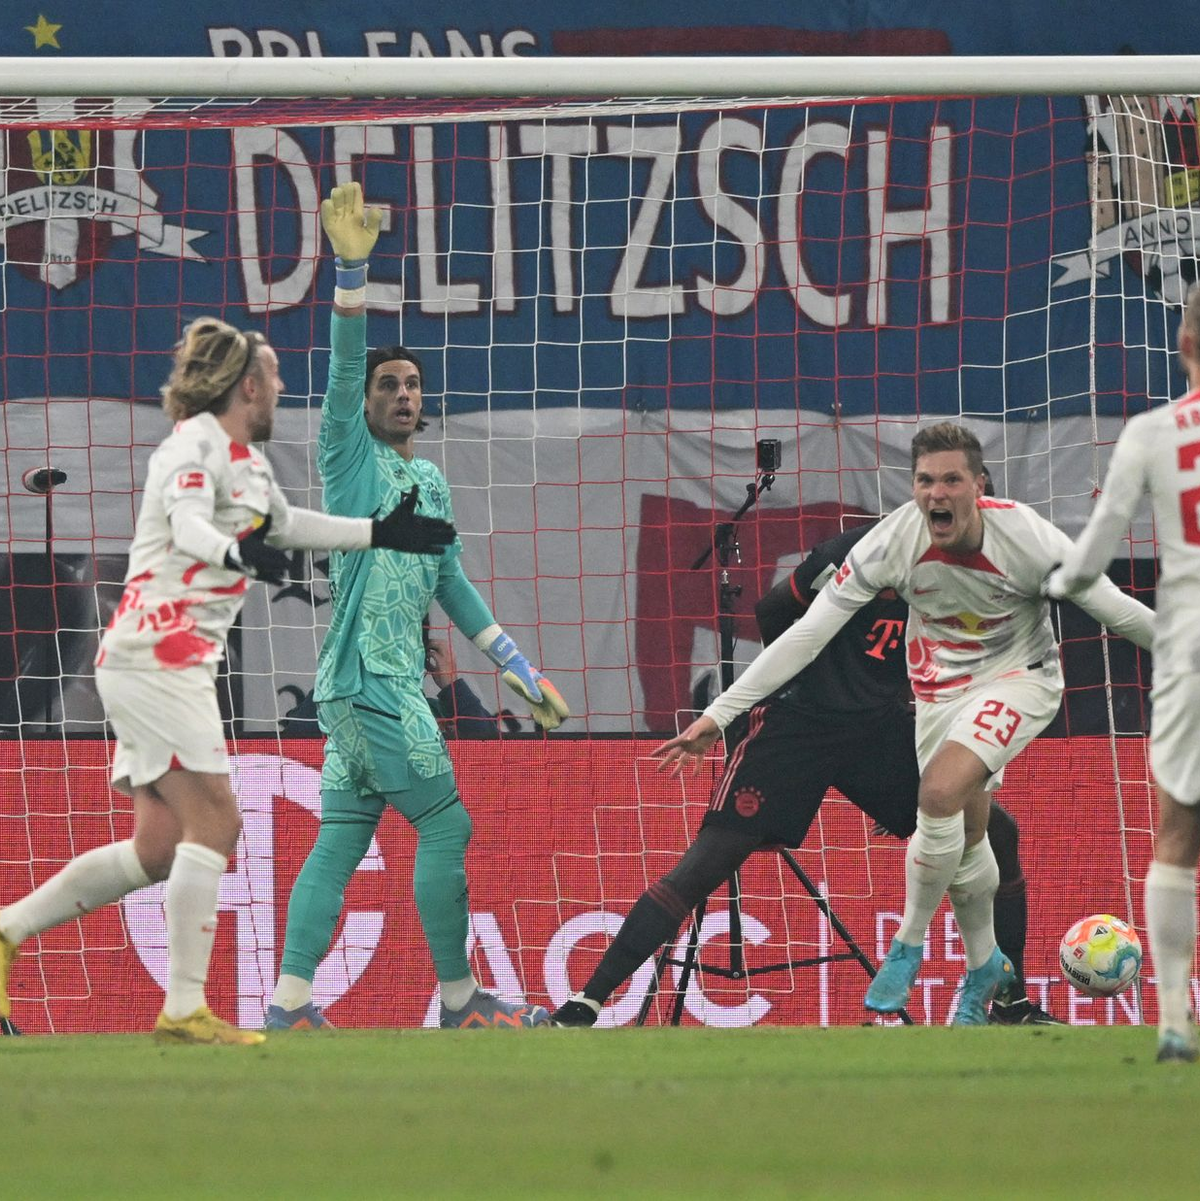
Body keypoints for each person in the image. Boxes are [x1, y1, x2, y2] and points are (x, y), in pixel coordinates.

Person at [0, 317, 455, 1045]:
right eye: (272, 375)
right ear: (247, 384)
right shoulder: (194, 445)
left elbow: (285, 525)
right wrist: (236, 553)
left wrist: (379, 532)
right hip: (156, 654)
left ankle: (7, 930)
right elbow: (187, 525)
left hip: (170, 660)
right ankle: (184, 1008)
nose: (280, 385)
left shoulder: (248, 461)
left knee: (157, 848)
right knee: (218, 820)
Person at [645, 422, 1155, 1026]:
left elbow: (1120, 613)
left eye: (951, 480)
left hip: (1021, 678)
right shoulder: (891, 543)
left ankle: (906, 948)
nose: (936, 493)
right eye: (924, 480)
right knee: (968, 840)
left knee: (937, 794)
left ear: (978, 485)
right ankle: (988, 971)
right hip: (939, 689)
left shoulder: (1026, 536)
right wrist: (718, 713)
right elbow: (807, 634)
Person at [551, 499, 1059, 1029]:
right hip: (798, 727)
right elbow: (775, 610)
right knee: (707, 863)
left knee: (996, 832)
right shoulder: (854, 552)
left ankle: (1009, 1004)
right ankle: (584, 1004)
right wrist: (782, 692)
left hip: (880, 731)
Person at [264, 182, 568, 1033]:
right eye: (387, 385)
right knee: (447, 821)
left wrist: (520, 667)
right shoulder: (349, 460)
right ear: (364, 406)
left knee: (342, 835)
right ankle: (463, 1002)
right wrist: (352, 274)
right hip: (374, 682)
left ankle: (288, 1004)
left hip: (367, 690)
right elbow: (341, 365)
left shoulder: (429, 481)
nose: (401, 393)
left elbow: (452, 584)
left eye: (412, 385)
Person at [1048, 289, 1200, 1063]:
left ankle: (1175, 1020)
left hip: (1188, 642)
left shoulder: (1151, 431)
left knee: (1178, 831)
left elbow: (1091, 554)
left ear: (1184, 343)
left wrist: (1053, 586)